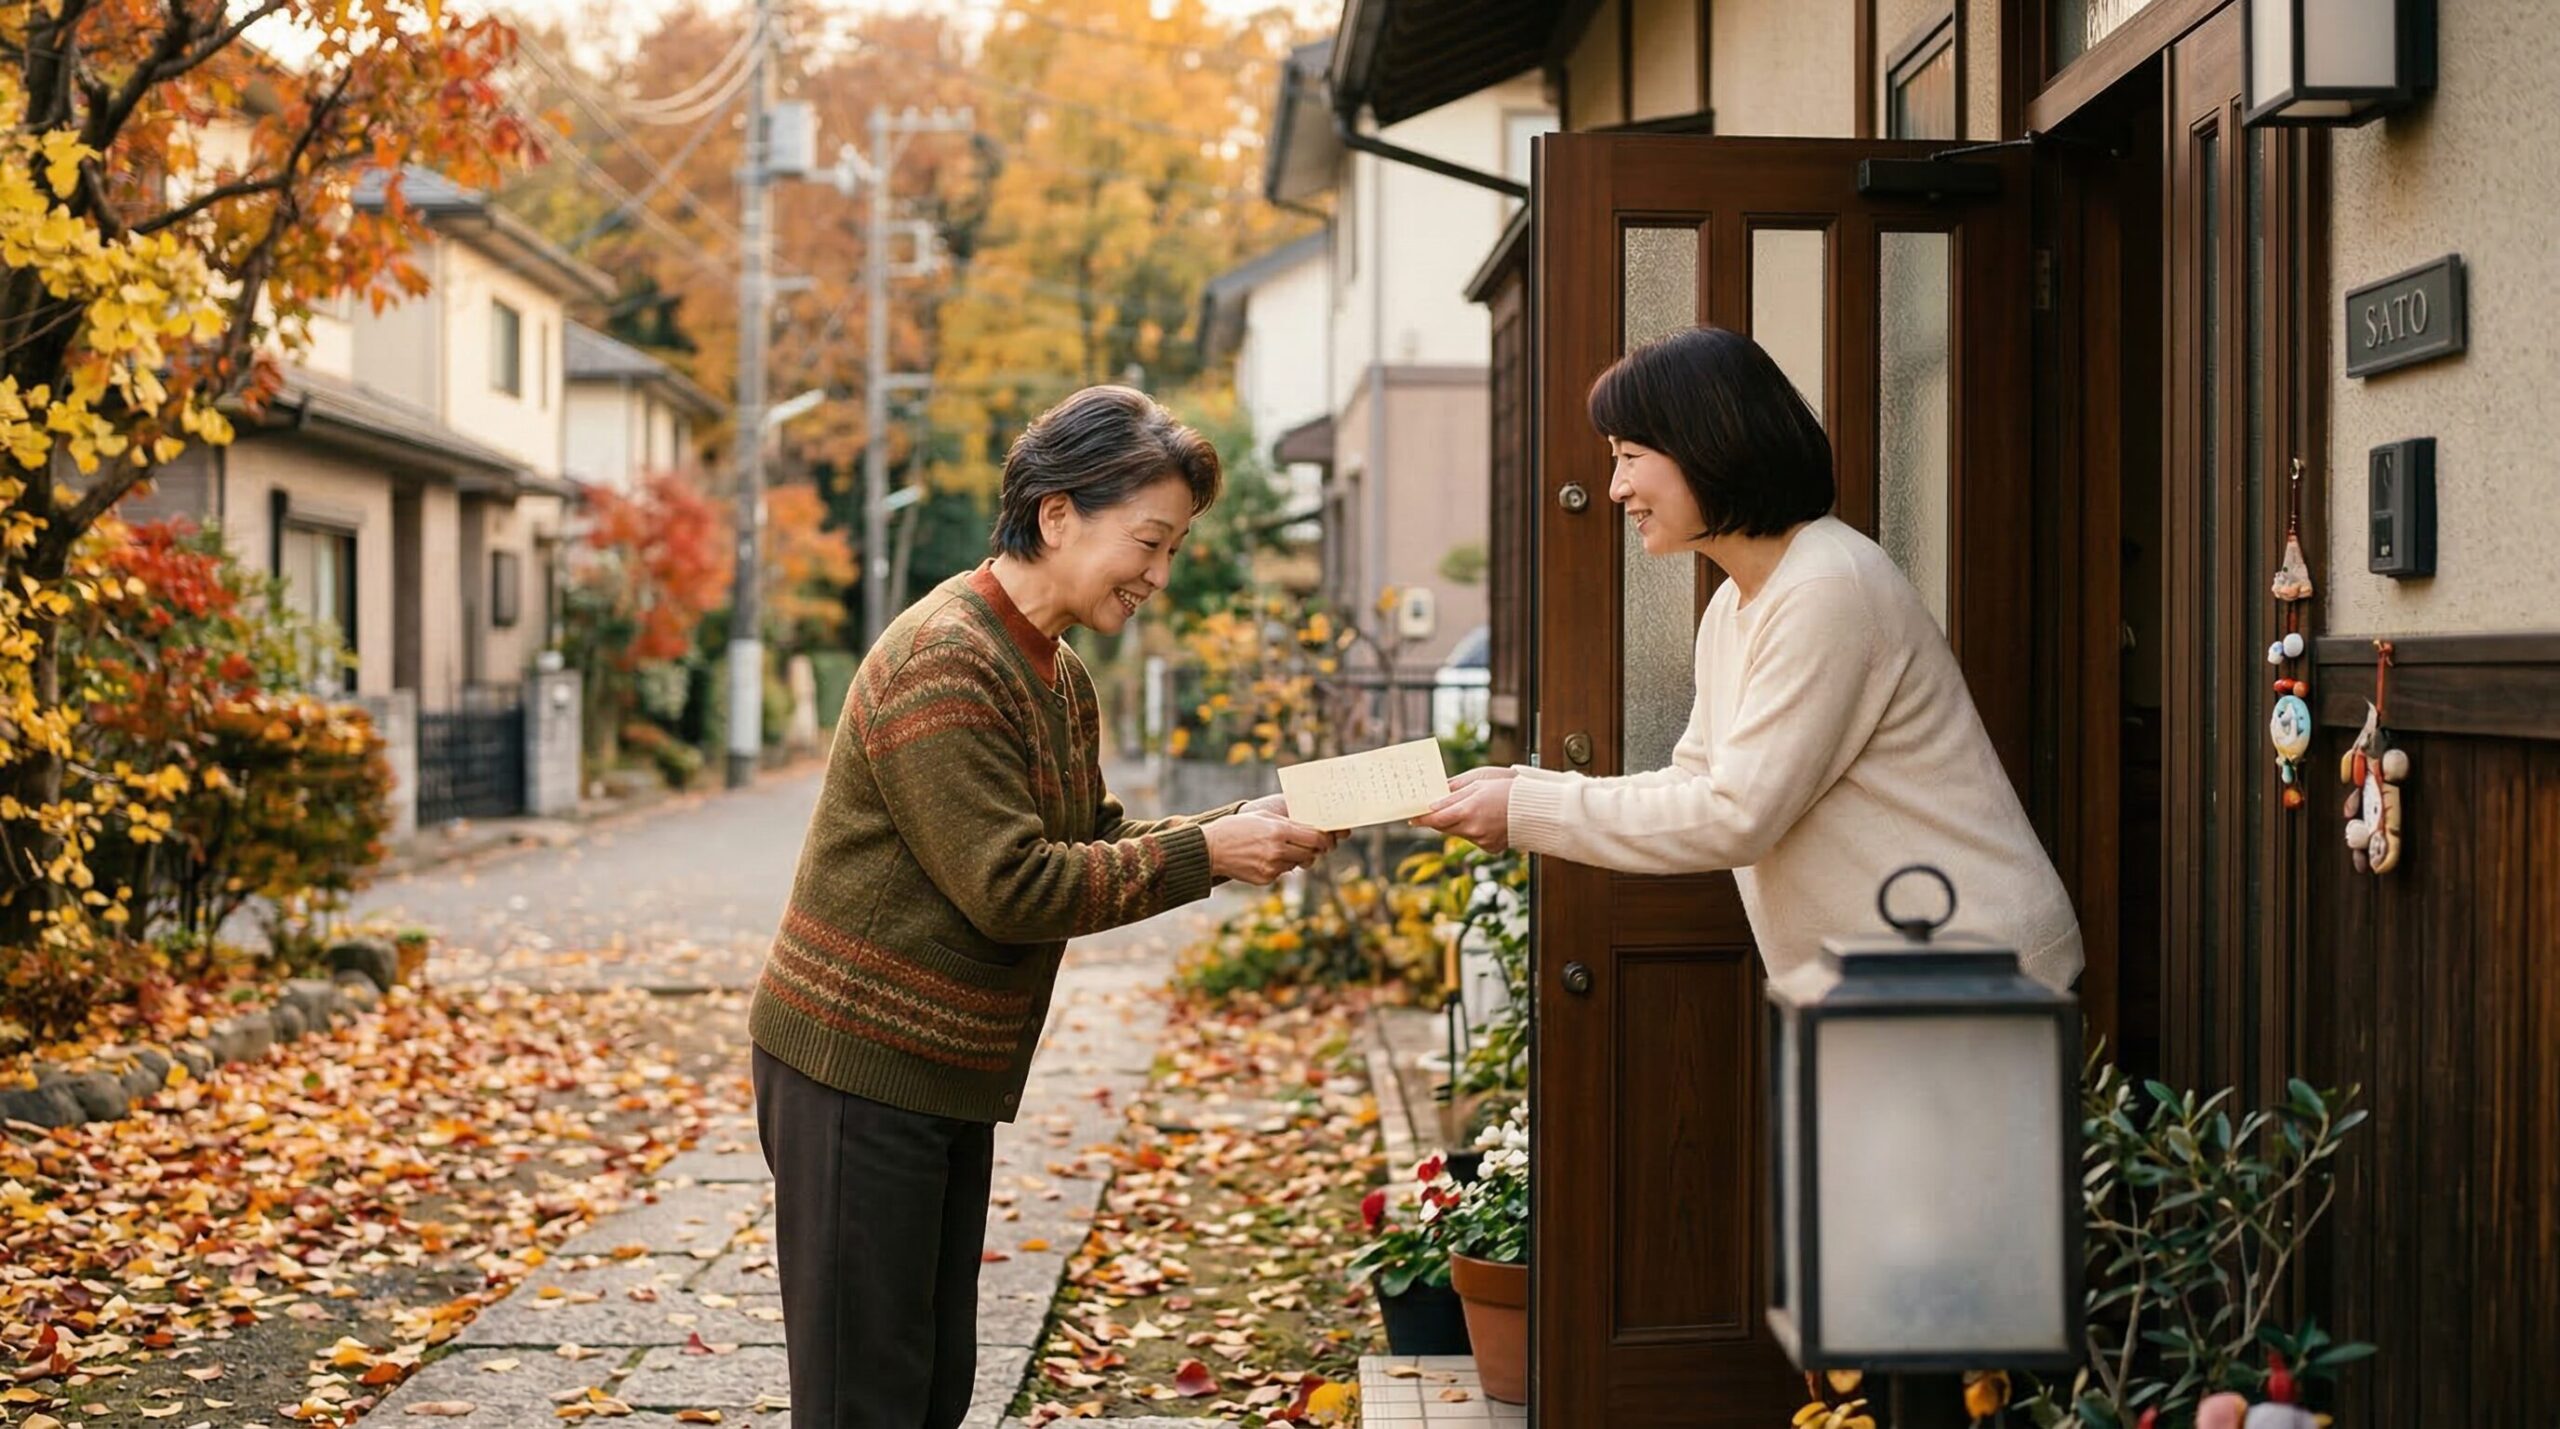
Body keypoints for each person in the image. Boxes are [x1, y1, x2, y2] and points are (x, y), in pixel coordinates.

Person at [747, 386, 1334, 1429]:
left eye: (1172, 548)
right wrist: (1211, 853)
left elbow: (1095, 841)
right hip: (855, 1066)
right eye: (1148, 542)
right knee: (864, 1398)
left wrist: (1246, 823)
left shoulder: (1055, 672)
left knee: (932, 1386)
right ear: (1056, 514)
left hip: (940, 1071)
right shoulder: (947, 661)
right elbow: (1013, 887)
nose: (1158, 574)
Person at [1416, 326, 2081, 990]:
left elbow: (1738, 816)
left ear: (1708, 446)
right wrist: (1528, 790)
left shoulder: (1826, 587)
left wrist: (1526, 811)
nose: (1616, 488)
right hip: (1900, 977)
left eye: (1630, 455)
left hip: (1974, 966)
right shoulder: (1737, 602)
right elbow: (1697, 781)